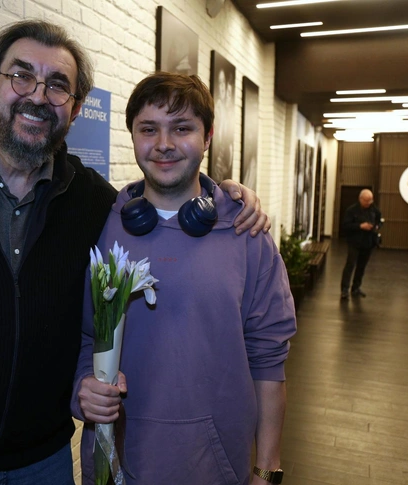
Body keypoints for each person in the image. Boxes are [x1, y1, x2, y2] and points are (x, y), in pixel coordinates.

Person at [0, 20, 270, 485]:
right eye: (21, 75)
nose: (38, 96)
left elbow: (163, 215)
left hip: (40, 463)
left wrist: (228, 197)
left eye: (57, 85)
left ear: (75, 108)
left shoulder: (94, 202)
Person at [72, 73, 296, 485]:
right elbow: (86, 337)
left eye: (182, 128)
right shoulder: (102, 225)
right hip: (114, 465)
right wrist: (83, 388)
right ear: (132, 135)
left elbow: (268, 360)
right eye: (148, 129)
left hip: (215, 467)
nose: (164, 143)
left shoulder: (246, 232)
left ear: (208, 136)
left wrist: (267, 470)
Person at [340, 189, 382, 299]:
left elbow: (379, 220)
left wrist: (376, 226)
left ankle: (356, 288)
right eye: (366, 201)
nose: (368, 203)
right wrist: (360, 226)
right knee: (350, 265)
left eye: (370, 200)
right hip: (354, 242)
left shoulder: (374, 209)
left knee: (361, 267)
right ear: (360, 199)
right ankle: (344, 289)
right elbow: (346, 226)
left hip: (368, 242)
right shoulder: (351, 210)